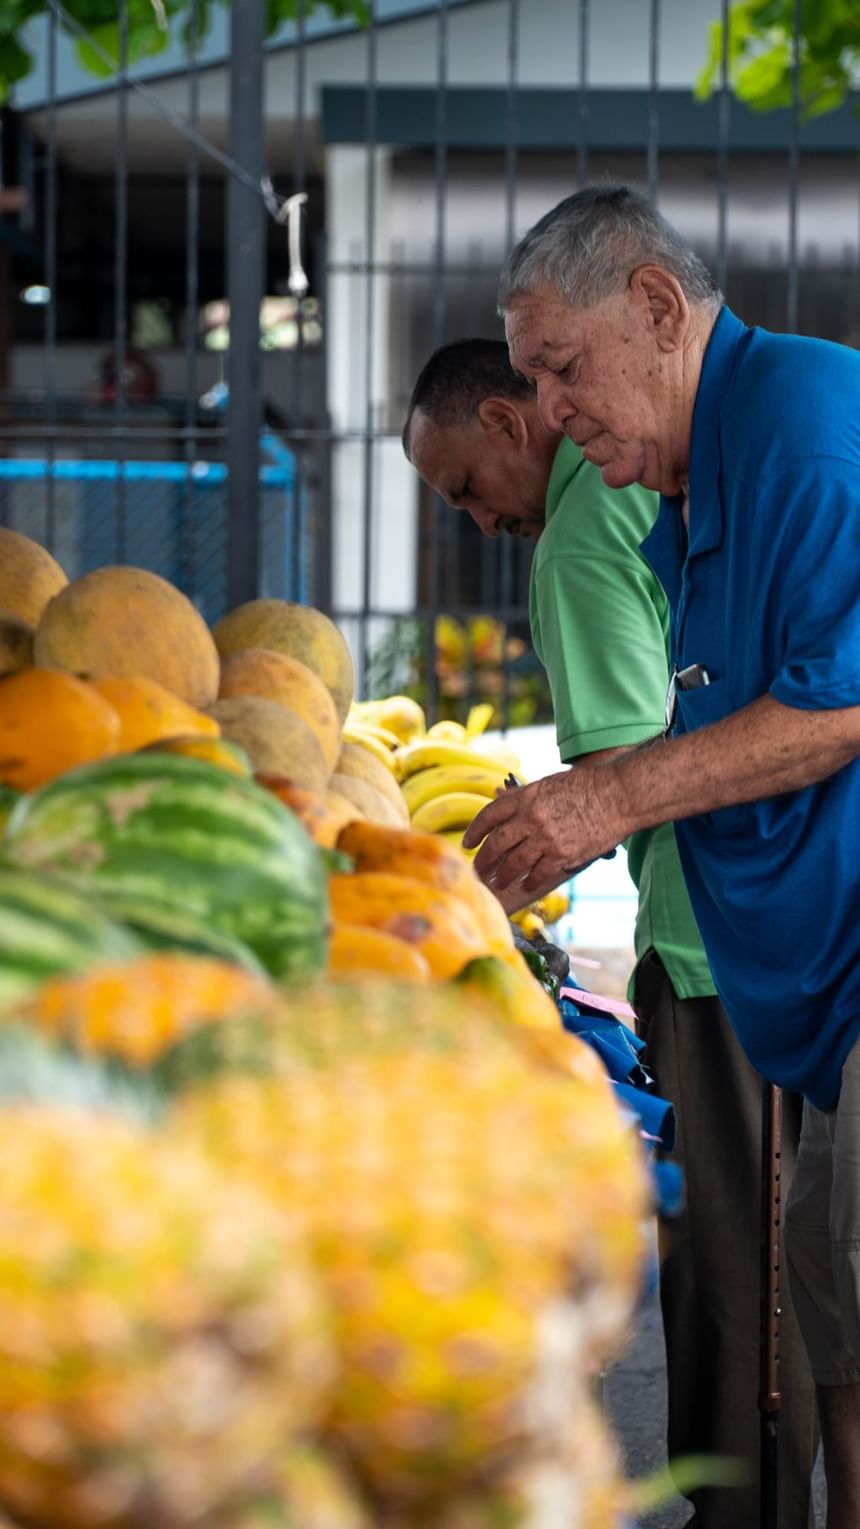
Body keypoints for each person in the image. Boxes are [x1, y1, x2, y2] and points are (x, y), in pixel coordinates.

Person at [460, 184, 860, 1528]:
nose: (551, 411)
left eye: (561, 369)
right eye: (535, 381)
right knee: (829, 1316)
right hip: (811, 999)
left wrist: (602, 799)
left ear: (657, 309)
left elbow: (835, 704)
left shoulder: (800, 432)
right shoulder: (691, 484)